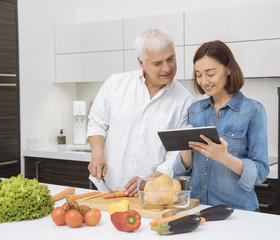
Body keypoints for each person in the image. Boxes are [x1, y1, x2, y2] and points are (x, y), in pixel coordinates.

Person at [87, 28, 194, 196]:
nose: (167, 68)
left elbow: (176, 156)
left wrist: (148, 181)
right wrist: (97, 154)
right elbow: (96, 122)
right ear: (141, 62)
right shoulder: (115, 84)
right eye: (157, 63)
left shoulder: (185, 101)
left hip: (150, 195)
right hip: (106, 188)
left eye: (171, 59)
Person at [173, 40, 269, 211]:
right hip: (197, 209)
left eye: (210, 73)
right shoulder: (194, 110)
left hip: (238, 212)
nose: (203, 81)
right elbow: (182, 173)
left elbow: (261, 172)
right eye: (198, 74)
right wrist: (184, 147)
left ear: (228, 69)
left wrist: (225, 158)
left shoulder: (253, 110)